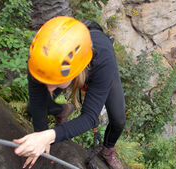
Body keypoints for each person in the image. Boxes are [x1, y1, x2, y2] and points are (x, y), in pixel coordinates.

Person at [13, 16, 126, 169]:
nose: (49, 88)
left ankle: (108, 149)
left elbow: (90, 117)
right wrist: (41, 138)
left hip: (96, 61)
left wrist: (49, 136)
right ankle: (62, 110)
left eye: (54, 83)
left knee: (118, 119)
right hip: (64, 61)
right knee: (34, 106)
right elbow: (38, 103)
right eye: (44, 82)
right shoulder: (40, 58)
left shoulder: (104, 61)